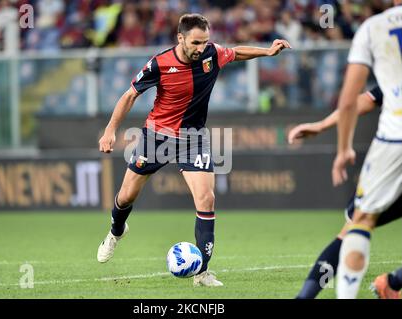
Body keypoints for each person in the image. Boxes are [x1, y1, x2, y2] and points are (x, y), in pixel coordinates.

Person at [96, 13, 291, 287]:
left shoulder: (212, 54)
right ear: (181, 38)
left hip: (193, 138)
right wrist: (109, 130)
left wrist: (267, 51)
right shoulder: (160, 63)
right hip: (157, 136)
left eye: (205, 42)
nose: (201, 48)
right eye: (196, 42)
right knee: (126, 196)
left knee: (206, 199)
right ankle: (116, 232)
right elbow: (130, 95)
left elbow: (235, 52)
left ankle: (203, 273)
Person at [288, 86, 402, 299]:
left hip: (390, 151)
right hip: (394, 154)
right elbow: (363, 101)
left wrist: (323, 128)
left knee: (357, 225)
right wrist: (323, 126)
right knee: (356, 226)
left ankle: (393, 282)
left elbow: (359, 99)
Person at [331, 1, 402, 298]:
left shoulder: (374, 27)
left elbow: (351, 100)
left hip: (394, 139)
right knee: (359, 218)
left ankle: (391, 283)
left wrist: (343, 147)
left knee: (361, 220)